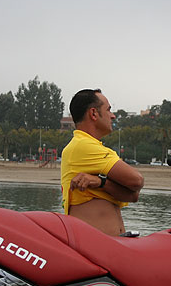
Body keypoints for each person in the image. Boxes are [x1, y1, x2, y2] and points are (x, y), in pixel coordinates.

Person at [61, 89, 144, 235]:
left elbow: (133, 195)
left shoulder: (92, 147)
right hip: (94, 247)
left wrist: (100, 182)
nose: (113, 116)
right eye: (109, 109)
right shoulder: (83, 146)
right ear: (93, 113)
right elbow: (137, 180)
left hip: (110, 245)